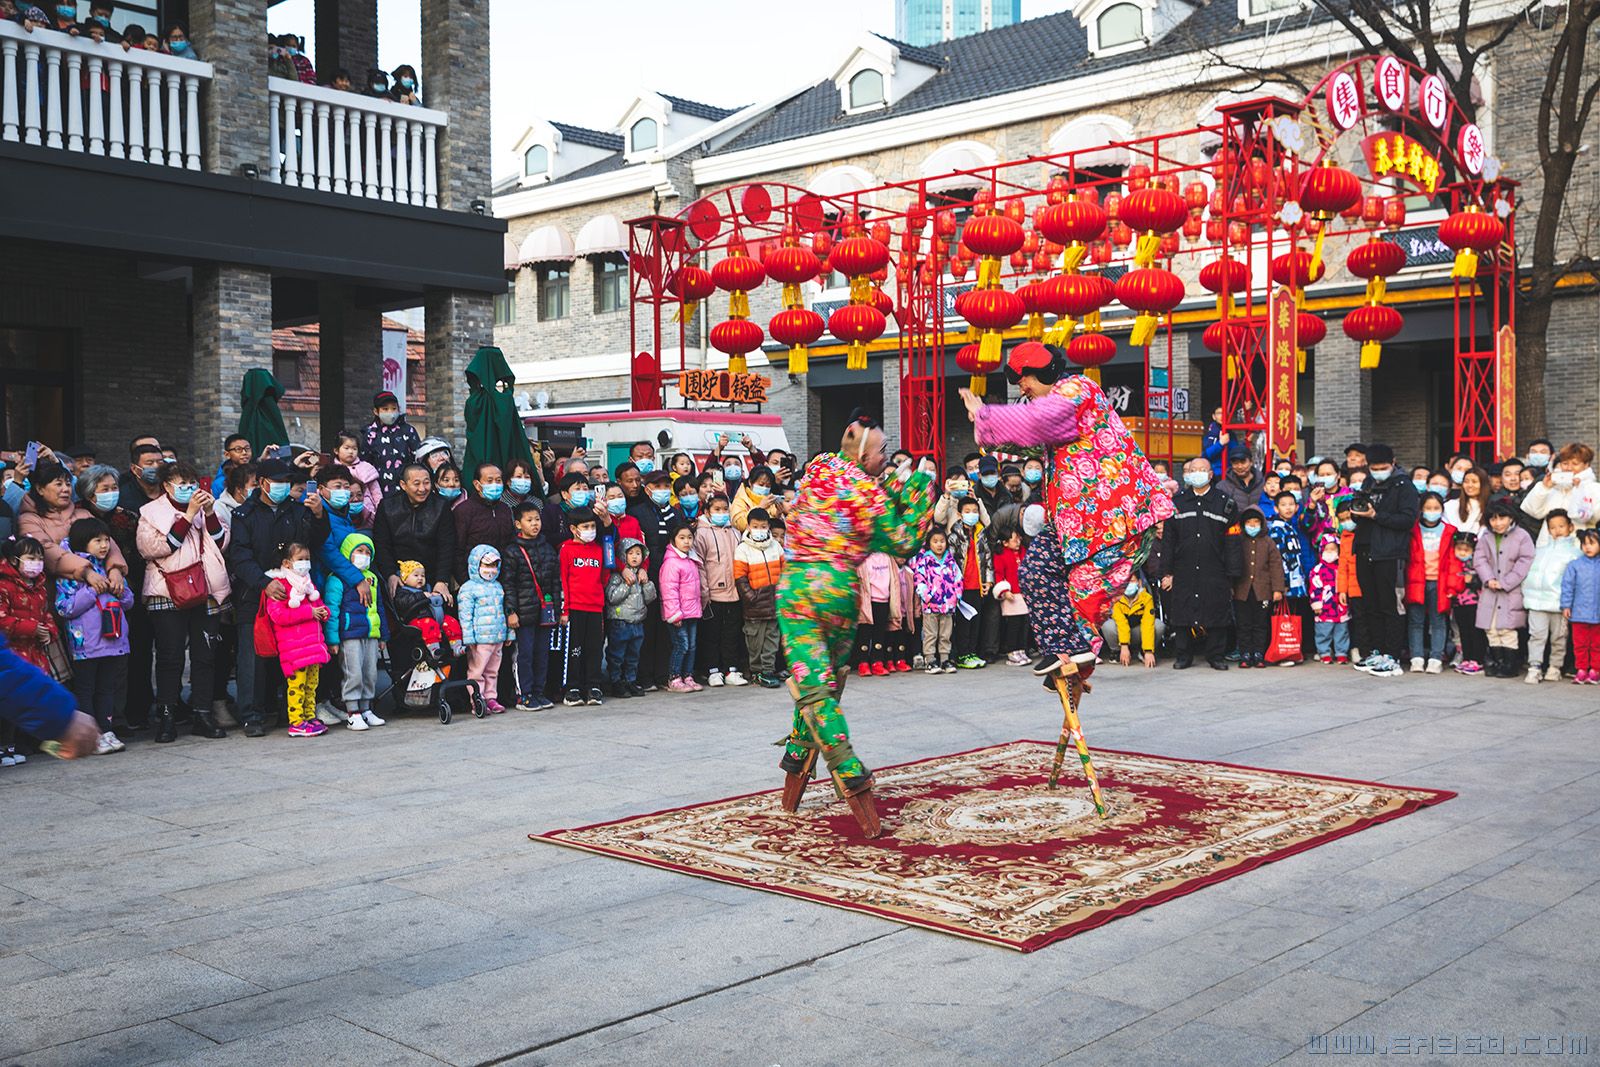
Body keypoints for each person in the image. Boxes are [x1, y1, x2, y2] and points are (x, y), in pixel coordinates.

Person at [964, 343, 1172, 680]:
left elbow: (1041, 420)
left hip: (1108, 518)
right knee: (1033, 571)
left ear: (1043, 372)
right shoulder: (1052, 414)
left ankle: (1077, 655)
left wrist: (988, 414)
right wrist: (983, 424)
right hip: (1070, 522)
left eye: (1024, 380)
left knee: (1083, 592)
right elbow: (1028, 438)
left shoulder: (1077, 389)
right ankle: (1065, 647)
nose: (1023, 389)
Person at [775, 413, 932, 832]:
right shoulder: (869, 495)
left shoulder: (818, 470)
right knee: (825, 683)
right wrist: (916, 485)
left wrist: (888, 479)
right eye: (882, 451)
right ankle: (827, 760)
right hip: (839, 594)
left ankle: (821, 758)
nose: (885, 457)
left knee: (815, 684)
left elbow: (848, 485)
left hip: (797, 589)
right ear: (864, 453)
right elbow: (903, 541)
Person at [225, 458, 330, 737]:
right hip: (257, 594)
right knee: (254, 656)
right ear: (262, 483)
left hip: (295, 594)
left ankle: (289, 712)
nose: (283, 487)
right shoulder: (244, 515)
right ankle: (252, 714)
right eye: (278, 482)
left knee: (296, 654)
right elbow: (240, 556)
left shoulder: (297, 511)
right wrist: (264, 583)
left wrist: (320, 516)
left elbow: (315, 542)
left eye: (287, 482)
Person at [136, 461, 230, 742]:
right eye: (182, 483)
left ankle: (202, 713)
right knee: (170, 656)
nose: (189, 489)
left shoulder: (205, 509)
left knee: (205, 656)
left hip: (206, 588)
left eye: (192, 483)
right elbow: (155, 548)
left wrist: (210, 512)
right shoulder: (150, 513)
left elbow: (221, 541)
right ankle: (167, 715)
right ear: (166, 486)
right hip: (167, 590)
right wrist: (188, 515)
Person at [1151, 457, 1240, 670]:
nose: (1197, 473)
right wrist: (1167, 571)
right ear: (1186, 475)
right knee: (1182, 612)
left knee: (1216, 612)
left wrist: (1233, 575)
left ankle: (1215, 656)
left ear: (1210, 475)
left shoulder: (1225, 503)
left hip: (1215, 568)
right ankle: (1183, 655)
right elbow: (1169, 541)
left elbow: (1233, 542)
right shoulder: (1177, 502)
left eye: (1202, 470)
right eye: (1193, 470)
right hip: (1184, 568)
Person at [56, 518, 135, 754]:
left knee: (107, 687)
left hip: (113, 641)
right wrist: (92, 591)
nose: (103, 545)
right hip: (86, 644)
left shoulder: (110, 569)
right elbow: (64, 607)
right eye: (97, 540)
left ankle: (106, 729)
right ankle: (91, 734)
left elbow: (129, 601)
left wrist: (119, 590)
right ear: (82, 543)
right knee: (86, 688)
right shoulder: (73, 574)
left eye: (106, 540)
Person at [1349, 444, 1418, 677]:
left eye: (1383, 468)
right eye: (1374, 468)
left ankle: (1393, 655)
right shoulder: (1368, 482)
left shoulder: (1403, 485)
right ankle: (1377, 651)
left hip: (1390, 552)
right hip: (1365, 548)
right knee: (1371, 604)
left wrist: (1377, 515)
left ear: (1393, 462)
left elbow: (1407, 519)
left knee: (1391, 605)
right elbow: (1359, 513)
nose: (1378, 471)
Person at [259, 544, 331, 737]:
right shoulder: (280, 585)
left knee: (311, 684)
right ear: (286, 563)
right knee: (296, 686)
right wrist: (310, 612)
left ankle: (309, 716)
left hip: (313, 646)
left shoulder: (307, 583)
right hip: (294, 648)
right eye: (300, 559)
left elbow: (319, 605)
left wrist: (324, 612)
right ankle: (297, 721)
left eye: (307, 558)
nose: (305, 563)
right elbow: (278, 616)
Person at [323, 532, 388, 730]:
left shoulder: (372, 579)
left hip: (370, 634)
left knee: (370, 672)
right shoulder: (337, 579)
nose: (364, 555)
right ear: (347, 553)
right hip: (349, 634)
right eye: (359, 551)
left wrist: (382, 634)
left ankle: (366, 708)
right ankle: (353, 712)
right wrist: (332, 639)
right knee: (353, 673)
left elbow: (380, 608)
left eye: (368, 552)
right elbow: (332, 611)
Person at [628, 470, 682, 690]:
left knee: (667, 629)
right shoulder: (638, 512)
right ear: (647, 488)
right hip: (648, 576)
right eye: (657, 486)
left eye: (666, 486)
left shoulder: (676, 514)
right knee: (647, 628)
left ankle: (663, 674)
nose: (662, 490)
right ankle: (645, 676)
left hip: (673, 577)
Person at [372, 463, 455, 602]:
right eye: (416, 484)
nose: (422, 489)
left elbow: (447, 546)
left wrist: (442, 580)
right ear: (403, 485)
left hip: (430, 575)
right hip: (399, 575)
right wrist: (390, 574)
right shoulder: (387, 507)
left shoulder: (441, 506)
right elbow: (381, 545)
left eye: (426, 483)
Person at [504, 502, 559, 710]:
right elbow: (508, 584)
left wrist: (556, 608)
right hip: (523, 613)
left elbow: (555, 580)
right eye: (529, 520)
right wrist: (511, 611)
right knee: (524, 654)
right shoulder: (512, 551)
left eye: (537, 519)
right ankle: (524, 695)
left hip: (545, 612)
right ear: (518, 524)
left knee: (542, 653)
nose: (535, 524)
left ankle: (538, 691)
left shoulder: (546, 547)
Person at [1474, 501, 1536, 677]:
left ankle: (1510, 663)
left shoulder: (1522, 536)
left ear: (1511, 518)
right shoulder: (1486, 536)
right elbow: (1479, 559)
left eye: (1502, 518)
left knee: (1507, 628)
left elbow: (1525, 560)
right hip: (1490, 590)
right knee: (1491, 627)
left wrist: (1507, 582)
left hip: (1511, 590)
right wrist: (1489, 579)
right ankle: (1496, 660)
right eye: (1493, 519)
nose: (1498, 523)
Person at [1403, 493, 1462, 675]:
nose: (1431, 512)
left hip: (1440, 583)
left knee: (1438, 621)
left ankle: (1436, 658)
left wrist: (1453, 586)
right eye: (1428, 508)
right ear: (1421, 509)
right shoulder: (1412, 530)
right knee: (1415, 622)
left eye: (1436, 508)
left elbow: (1454, 562)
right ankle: (1417, 657)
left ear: (1442, 510)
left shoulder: (1450, 531)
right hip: (1416, 581)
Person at [692, 493, 746, 686]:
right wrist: (704, 591)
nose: (722, 513)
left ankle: (731, 669)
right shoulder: (702, 533)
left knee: (731, 634)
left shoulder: (735, 532)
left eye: (725, 509)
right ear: (707, 511)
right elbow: (699, 564)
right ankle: (713, 670)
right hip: (713, 593)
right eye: (717, 510)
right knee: (711, 635)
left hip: (734, 593)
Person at [1522, 510, 1580, 683]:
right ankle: (1535, 666)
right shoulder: (1539, 551)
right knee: (1536, 635)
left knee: (1559, 637)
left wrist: (1569, 603)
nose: (1557, 530)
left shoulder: (1574, 553)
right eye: (1552, 527)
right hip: (1536, 601)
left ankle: (1555, 666)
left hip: (1559, 603)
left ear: (1571, 527)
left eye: (1561, 526)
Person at [558, 511, 607, 707]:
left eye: (593, 527)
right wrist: (565, 610)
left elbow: (604, 577)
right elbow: (563, 580)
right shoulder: (566, 550)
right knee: (574, 649)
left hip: (595, 607)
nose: (590, 531)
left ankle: (593, 686)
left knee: (594, 649)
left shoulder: (598, 550)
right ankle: (572, 687)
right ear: (573, 529)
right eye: (585, 527)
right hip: (575, 607)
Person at [733, 506, 785, 687]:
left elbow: (785, 571)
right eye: (756, 526)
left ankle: (768, 670)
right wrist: (751, 597)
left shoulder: (776, 546)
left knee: (772, 638)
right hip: (755, 605)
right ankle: (756, 671)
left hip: (774, 603)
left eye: (763, 527)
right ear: (748, 526)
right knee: (755, 639)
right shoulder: (743, 549)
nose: (760, 530)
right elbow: (740, 578)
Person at [457, 545, 509, 713]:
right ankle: (477, 699)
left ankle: (491, 697)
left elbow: (505, 611)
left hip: (497, 637)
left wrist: (509, 632)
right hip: (480, 640)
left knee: (493, 670)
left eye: (494, 566)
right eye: (486, 565)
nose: (491, 570)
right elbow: (465, 615)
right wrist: (469, 638)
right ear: (475, 565)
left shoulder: (498, 587)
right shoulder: (468, 589)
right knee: (477, 671)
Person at [1233, 507, 1285, 668]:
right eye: (1249, 522)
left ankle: (1259, 653)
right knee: (1243, 623)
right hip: (1242, 591)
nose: (1252, 525)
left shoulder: (1267, 542)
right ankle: (1245, 653)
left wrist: (1277, 589)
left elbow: (1276, 566)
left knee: (1260, 624)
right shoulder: (1238, 541)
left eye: (1256, 522)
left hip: (1263, 591)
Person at [604, 539, 655, 698]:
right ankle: (616, 682)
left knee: (634, 655)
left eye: (638, 554)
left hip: (637, 622)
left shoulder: (641, 574)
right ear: (623, 555)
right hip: (621, 622)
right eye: (631, 553)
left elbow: (650, 597)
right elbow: (611, 597)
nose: (634, 557)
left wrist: (646, 584)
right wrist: (626, 585)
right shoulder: (617, 576)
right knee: (617, 655)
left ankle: (630, 680)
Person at [946, 496, 992, 670]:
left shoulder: (981, 533)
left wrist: (988, 581)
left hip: (977, 585)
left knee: (976, 621)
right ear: (959, 514)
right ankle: (962, 654)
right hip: (962, 586)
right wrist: (953, 585)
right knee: (964, 623)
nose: (972, 514)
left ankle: (972, 652)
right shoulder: (954, 536)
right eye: (967, 511)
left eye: (974, 511)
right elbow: (950, 562)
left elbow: (987, 558)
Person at [659, 523, 705, 693]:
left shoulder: (690, 559)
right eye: (682, 538)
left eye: (689, 537)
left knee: (691, 646)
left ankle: (688, 675)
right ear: (673, 540)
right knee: (681, 645)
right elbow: (669, 590)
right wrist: (674, 614)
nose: (686, 541)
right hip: (678, 614)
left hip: (692, 611)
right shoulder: (671, 563)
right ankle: (674, 677)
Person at [1521, 443, 1600, 542]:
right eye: (1565, 463)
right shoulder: (1553, 487)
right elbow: (1532, 511)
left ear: (1586, 465)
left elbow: (1595, 518)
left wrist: (1580, 490)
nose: (1569, 468)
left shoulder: (1594, 489)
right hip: (1549, 546)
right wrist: (1544, 488)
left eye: (1575, 464)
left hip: (1581, 547)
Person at [453, 463, 514, 584]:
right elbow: (457, 550)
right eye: (489, 481)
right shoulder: (464, 510)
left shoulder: (505, 509)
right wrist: (466, 582)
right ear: (477, 484)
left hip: (503, 580)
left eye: (498, 480)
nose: (495, 485)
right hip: (474, 581)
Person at [392, 560, 464, 661]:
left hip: (434, 617)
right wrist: (421, 596)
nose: (420, 578)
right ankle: (434, 649)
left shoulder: (428, 589)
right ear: (405, 579)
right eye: (416, 575)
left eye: (423, 575)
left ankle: (456, 647)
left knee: (451, 621)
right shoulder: (403, 592)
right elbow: (401, 603)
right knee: (429, 625)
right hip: (417, 619)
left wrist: (439, 597)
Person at [854, 550, 905, 677]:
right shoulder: (864, 557)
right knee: (865, 631)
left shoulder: (888, 557)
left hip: (884, 600)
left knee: (880, 632)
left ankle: (877, 661)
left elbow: (894, 579)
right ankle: (863, 661)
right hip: (868, 601)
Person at [361, 391, 422, 496]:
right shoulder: (370, 434)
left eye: (394, 408)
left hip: (406, 491)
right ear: (376, 411)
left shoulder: (408, 431)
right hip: (379, 491)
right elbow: (365, 462)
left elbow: (418, 458)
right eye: (385, 409)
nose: (390, 412)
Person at [1560, 529, 1600, 683]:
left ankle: (1595, 670)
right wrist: (1566, 605)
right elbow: (1567, 586)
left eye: (1592, 543)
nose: (1587, 547)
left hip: (1597, 614)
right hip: (1579, 613)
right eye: (1584, 544)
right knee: (1580, 644)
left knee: (1597, 644)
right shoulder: (1575, 565)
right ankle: (1581, 669)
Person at [1308, 533, 1350, 664]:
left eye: (1333, 549)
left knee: (1342, 631)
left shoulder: (1341, 568)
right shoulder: (1317, 570)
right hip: (1325, 607)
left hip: (1340, 606)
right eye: (1327, 549)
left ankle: (1341, 652)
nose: (1330, 552)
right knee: (1323, 631)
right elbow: (1314, 587)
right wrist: (1317, 604)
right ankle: (1324, 652)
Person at [1103, 577, 1161, 668]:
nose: (1129, 584)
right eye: (1126, 581)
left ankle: (1142, 652)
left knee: (1158, 625)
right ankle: (1117, 651)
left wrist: (1148, 650)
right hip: (1122, 633)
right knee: (1107, 625)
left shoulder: (1147, 598)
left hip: (1138, 632)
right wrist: (1124, 645)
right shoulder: (1116, 599)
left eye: (1132, 581)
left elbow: (1148, 623)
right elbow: (1121, 623)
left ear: (1139, 582)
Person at [993, 529, 1031, 666]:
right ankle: (1012, 651)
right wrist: (1004, 590)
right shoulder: (1001, 554)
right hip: (1011, 594)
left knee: (1024, 623)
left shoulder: (1023, 551)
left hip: (1023, 593)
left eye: (1019, 539)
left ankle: (1021, 649)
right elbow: (998, 574)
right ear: (1005, 542)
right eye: (1014, 540)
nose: (1018, 542)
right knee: (1013, 625)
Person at [1449, 533, 1485, 674]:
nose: (1462, 552)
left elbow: (1483, 580)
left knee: (1475, 631)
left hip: (1474, 602)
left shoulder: (1477, 563)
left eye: (1467, 550)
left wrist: (1472, 582)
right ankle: (1467, 658)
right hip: (1459, 602)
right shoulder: (1453, 563)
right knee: (1463, 631)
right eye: (1459, 549)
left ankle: (1477, 660)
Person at [331, 432, 382, 525]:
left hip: (368, 514)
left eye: (354, 449)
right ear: (336, 450)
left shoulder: (366, 468)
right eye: (346, 448)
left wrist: (380, 511)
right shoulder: (332, 470)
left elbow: (376, 493)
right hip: (340, 515)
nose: (351, 452)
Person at [730, 465, 781, 533]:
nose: (764, 488)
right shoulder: (741, 499)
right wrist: (760, 507)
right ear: (750, 482)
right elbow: (739, 524)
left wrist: (778, 515)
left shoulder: (771, 500)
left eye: (768, 486)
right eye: (761, 484)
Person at [1217, 443, 1264, 515]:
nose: (1239, 466)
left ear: (1251, 462)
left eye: (1243, 462)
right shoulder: (1222, 487)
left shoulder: (1263, 483)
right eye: (1235, 463)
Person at [1443, 465, 1490, 535]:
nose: (1469, 485)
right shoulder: (1450, 506)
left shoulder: (1490, 507)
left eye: (1474, 482)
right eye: (1466, 481)